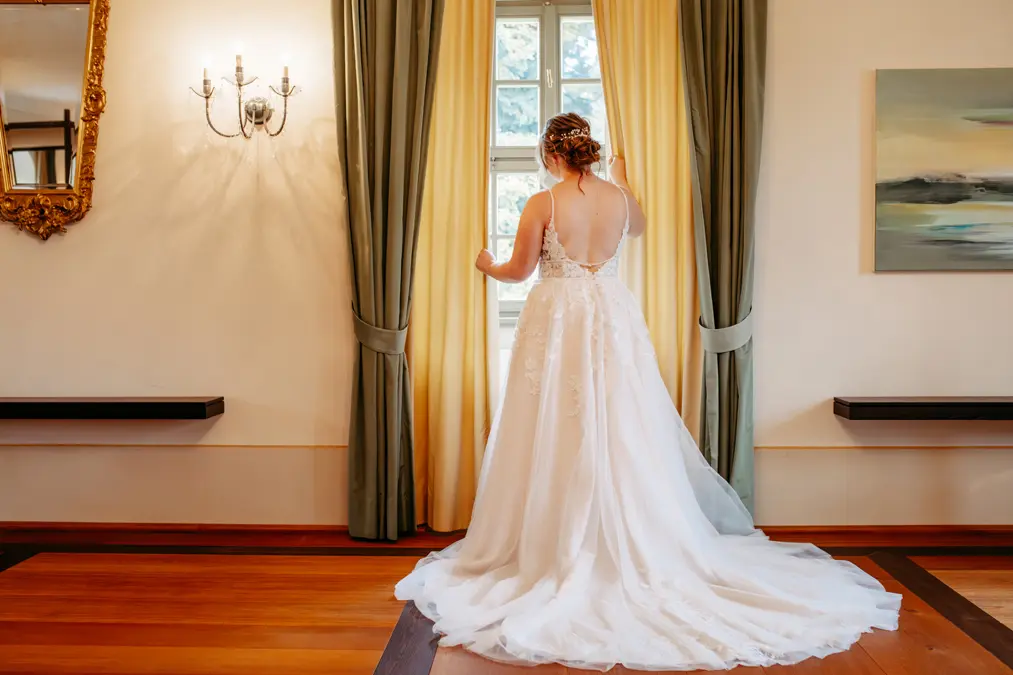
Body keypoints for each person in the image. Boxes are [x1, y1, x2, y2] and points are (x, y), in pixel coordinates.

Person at [394, 113, 900, 671]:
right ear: (590, 152)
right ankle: (631, 539)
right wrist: (622, 177)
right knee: (620, 424)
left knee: (554, 425)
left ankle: (551, 546)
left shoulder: (544, 202)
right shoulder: (619, 201)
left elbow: (518, 271)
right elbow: (635, 230)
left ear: (550, 154)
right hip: (609, 315)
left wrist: (484, 263)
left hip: (560, 318)